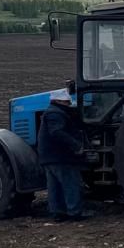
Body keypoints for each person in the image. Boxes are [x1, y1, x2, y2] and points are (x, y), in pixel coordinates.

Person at [38, 82, 90, 221]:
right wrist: (76, 145)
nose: (69, 104)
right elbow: (57, 132)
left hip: (48, 157)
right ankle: (74, 212)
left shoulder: (51, 112)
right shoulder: (56, 114)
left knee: (54, 187)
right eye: (67, 102)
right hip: (60, 156)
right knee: (70, 184)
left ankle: (58, 213)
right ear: (59, 101)